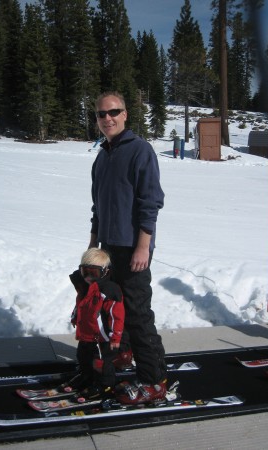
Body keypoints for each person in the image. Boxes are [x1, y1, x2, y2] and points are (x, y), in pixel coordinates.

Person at [88, 91, 167, 405]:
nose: (107, 118)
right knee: (113, 306)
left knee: (137, 314)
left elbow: (151, 202)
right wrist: (93, 243)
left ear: (125, 115)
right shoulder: (102, 156)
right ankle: (124, 352)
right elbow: (98, 206)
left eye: (113, 112)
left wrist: (143, 246)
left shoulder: (139, 151)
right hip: (109, 246)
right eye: (101, 114)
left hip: (134, 247)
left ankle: (154, 380)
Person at [67, 247, 131, 400]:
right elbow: (81, 305)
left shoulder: (109, 290)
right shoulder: (85, 287)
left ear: (104, 272)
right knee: (83, 356)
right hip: (87, 333)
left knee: (101, 363)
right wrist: (76, 317)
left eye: (93, 273)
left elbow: (116, 316)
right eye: (85, 272)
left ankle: (105, 384)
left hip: (102, 338)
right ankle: (86, 376)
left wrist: (116, 337)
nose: (88, 277)